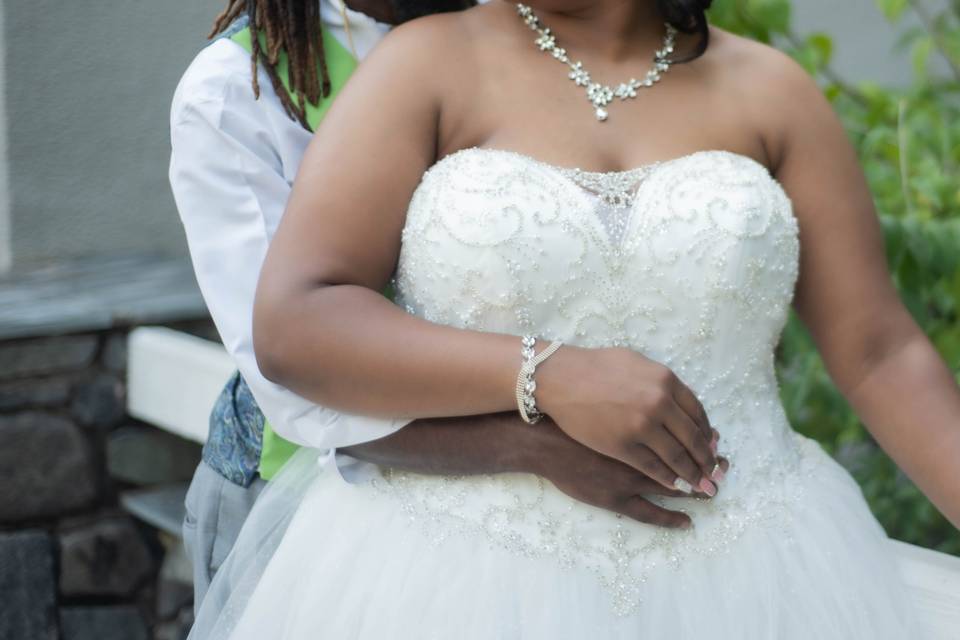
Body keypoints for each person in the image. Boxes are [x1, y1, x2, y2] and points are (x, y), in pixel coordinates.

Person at [191, 0, 960, 636]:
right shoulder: (426, 64)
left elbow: (880, 352)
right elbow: (299, 320)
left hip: (758, 572)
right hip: (451, 578)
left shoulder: (773, 91)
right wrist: (546, 373)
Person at [170, 0, 725, 613]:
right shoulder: (232, 92)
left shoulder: (525, 27)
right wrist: (531, 444)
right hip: (294, 499)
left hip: (549, 514)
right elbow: (298, 391)